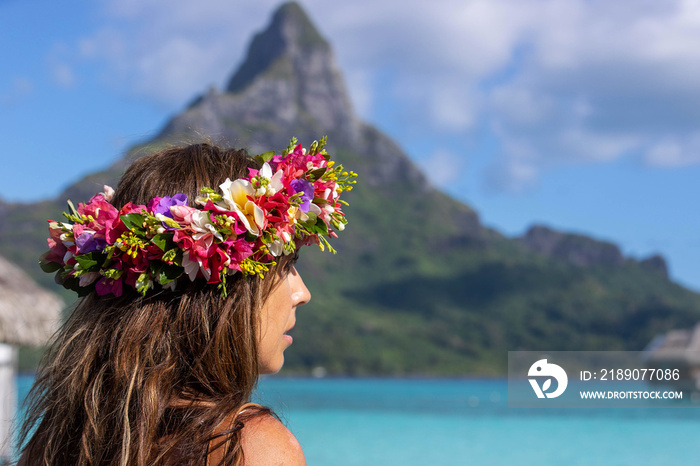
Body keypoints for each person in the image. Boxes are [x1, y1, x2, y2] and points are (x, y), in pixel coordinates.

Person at [18, 139, 356, 465]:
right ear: (218, 285)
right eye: (285, 266)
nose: (302, 294)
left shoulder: (58, 438)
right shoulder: (247, 447)